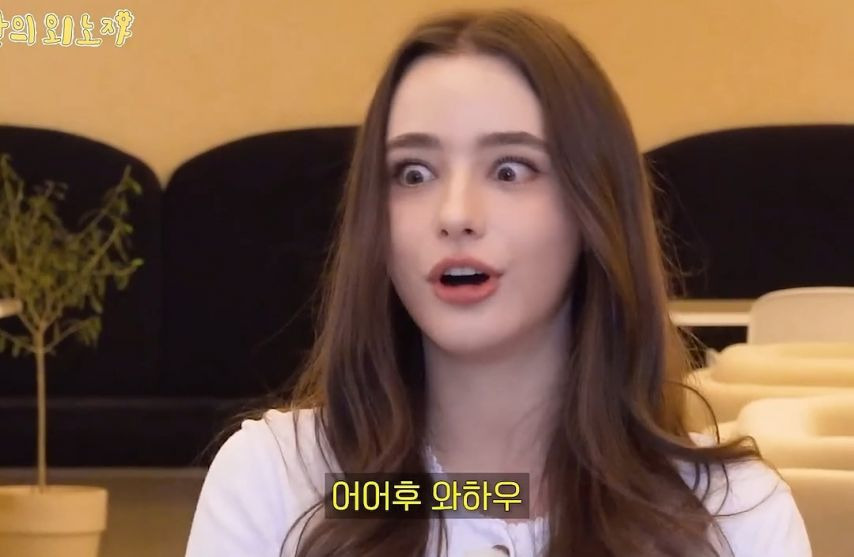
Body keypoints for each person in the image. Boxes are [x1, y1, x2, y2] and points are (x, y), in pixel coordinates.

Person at [184, 8, 811, 557]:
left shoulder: (736, 516)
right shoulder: (279, 483)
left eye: (510, 170)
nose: (456, 214)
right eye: (413, 173)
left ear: (594, 209)